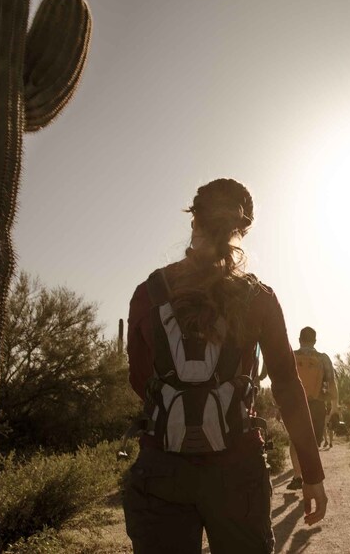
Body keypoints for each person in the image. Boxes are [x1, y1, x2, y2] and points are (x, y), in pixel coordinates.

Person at [123, 178, 327, 554]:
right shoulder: (259, 297)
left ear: (194, 222)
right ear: (241, 231)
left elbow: (140, 380)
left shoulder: (147, 293)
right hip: (237, 469)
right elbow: (286, 385)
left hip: (161, 468)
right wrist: (311, 473)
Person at [288, 327, 339, 488]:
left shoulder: (292, 356)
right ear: (315, 341)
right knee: (313, 444)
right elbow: (331, 383)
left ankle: (297, 476)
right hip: (317, 405)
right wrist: (334, 407)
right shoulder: (323, 359)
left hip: (296, 404)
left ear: (299, 339)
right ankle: (310, 478)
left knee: (295, 441)